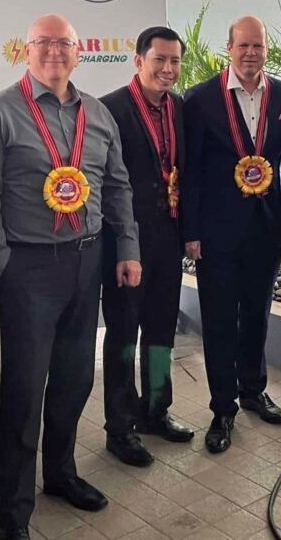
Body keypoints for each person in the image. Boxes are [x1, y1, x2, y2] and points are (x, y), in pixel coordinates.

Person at [0, 14, 142, 539]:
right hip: (29, 269)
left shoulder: (98, 115)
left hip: (88, 262)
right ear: (26, 50)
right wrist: (3, 262)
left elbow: (117, 187)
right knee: (24, 393)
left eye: (64, 43)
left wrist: (126, 247)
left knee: (74, 379)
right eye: (43, 42)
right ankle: (13, 514)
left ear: (79, 52)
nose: (54, 52)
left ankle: (60, 475)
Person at [182, 15, 281, 453]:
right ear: (228, 48)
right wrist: (191, 230)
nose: (251, 53)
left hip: (265, 226)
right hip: (216, 231)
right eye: (243, 45)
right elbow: (191, 170)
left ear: (266, 49)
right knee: (218, 320)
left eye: (258, 46)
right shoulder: (200, 99)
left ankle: (253, 390)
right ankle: (222, 408)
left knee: (256, 314)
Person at [97, 26, 195, 468]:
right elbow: (102, 182)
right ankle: (119, 428)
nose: (168, 69)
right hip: (125, 243)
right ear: (139, 60)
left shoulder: (178, 107)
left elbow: (183, 173)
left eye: (175, 61)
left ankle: (156, 410)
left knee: (160, 330)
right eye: (160, 59)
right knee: (123, 334)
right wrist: (123, 245)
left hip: (168, 237)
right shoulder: (110, 109)